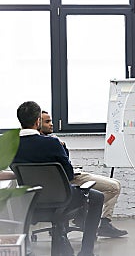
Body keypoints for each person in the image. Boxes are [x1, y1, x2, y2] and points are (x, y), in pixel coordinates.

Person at [12, 101, 103, 256]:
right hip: (62, 200)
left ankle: (61, 233)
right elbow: (68, 175)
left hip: (30, 202)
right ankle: (86, 251)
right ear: (37, 121)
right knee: (97, 197)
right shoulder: (52, 143)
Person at [40, 110, 128, 238]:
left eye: (51, 121)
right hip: (69, 179)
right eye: (47, 122)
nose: (51, 124)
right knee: (114, 187)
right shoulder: (52, 142)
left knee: (115, 185)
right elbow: (67, 169)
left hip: (58, 183)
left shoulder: (35, 143)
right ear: (37, 123)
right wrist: (62, 147)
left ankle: (89, 216)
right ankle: (96, 218)